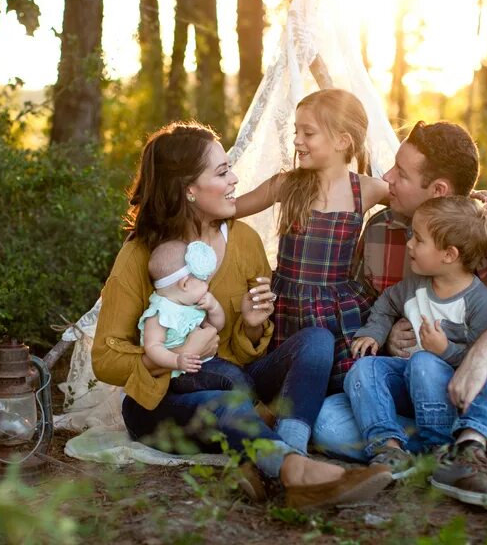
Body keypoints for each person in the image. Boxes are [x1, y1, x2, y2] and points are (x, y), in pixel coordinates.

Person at [92, 121, 394, 510]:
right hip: (164, 402)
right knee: (227, 400)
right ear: (188, 189)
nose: (235, 179)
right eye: (221, 173)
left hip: (237, 380)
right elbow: (105, 358)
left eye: (229, 168)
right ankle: (294, 473)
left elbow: (246, 355)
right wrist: (175, 353)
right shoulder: (141, 256)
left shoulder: (245, 241)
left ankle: (285, 454)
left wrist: (252, 326)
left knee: (317, 341)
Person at [312, 121, 487, 510]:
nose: (387, 178)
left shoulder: (486, 224)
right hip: (408, 382)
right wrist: (385, 334)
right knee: (328, 424)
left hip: (470, 384)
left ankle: (472, 444)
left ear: (439, 190)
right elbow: (369, 307)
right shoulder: (381, 230)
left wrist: (477, 357)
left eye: (401, 173)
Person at [235, 89, 389, 392]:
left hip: (337, 307)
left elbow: (421, 203)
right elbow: (232, 208)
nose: (296, 141)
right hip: (286, 304)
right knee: (286, 378)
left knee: (344, 381)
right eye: (296, 131)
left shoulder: (366, 189)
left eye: (308, 133)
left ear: (342, 141)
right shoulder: (286, 184)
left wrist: (475, 199)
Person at [345, 195, 487, 477]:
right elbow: (387, 303)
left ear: (449, 254)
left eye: (419, 239)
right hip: (408, 384)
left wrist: (445, 351)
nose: (410, 244)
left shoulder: (479, 302)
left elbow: (481, 361)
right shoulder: (416, 285)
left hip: (447, 393)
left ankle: (437, 450)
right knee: (364, 368)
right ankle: (388, 447)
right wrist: (374, 333)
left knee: (424, 362)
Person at [139, 239, 233, 393]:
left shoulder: (189, 303)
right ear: (185, 284)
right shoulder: (159, 313)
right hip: (176, 374)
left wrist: (214, 307)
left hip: (201, 364)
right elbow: (152, 346)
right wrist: (176, 360)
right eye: (203, 281)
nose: (207, 285)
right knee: (232, 378)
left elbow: (216, 326)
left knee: (236, 377)